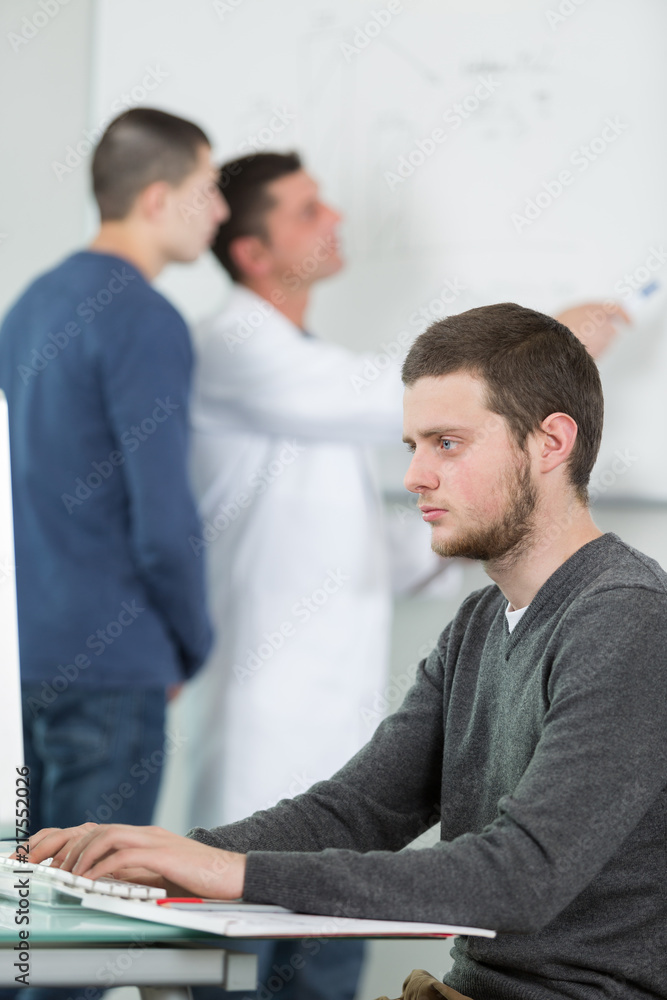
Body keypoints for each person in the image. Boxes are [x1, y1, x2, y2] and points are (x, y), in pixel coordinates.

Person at [29, 302, 667, 1000]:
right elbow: (357, 811)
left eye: (446, 443)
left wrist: (234, 875)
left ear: (550, 443)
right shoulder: (479, 622)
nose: (416, 476)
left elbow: (520, 876)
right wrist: (177, 855)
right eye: (412, 446)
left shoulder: (627, 617)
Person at [184, 150, 409, 1000]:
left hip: (340, 732)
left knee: (325, 962)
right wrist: (530, 354)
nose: (336, 218)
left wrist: (478, 529)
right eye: (309, 210)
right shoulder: (235, 342)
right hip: (263, 716)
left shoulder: (311, 364)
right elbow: (390, 397)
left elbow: (355, 545)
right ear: (251, 252)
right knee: (236, 964)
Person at [0, 108, 226, 841]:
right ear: (157, 199)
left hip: (22, 656)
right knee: (92, 900)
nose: (220, 211)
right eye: (208, 188)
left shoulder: (27, 306)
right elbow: (163, 518)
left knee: (23, 903)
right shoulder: (146, 318)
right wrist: (189, 644)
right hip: (111, 666)